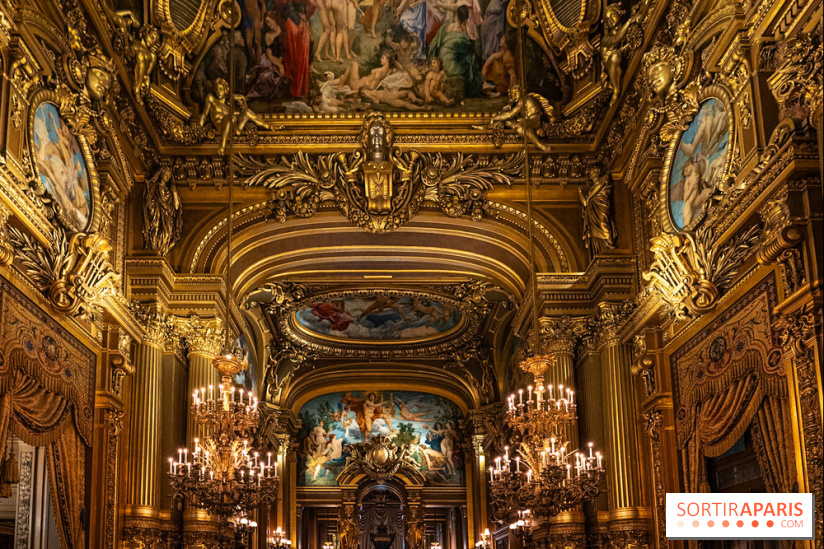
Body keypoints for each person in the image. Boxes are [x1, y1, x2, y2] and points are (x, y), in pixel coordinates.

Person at [428, 5, 482, 98]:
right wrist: (464, 28)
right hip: (450, 66)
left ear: (457, 16)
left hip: (440, 60)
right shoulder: (461, 33)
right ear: (466, 19)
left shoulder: (447, 26)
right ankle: (475, 86)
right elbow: (468, 46)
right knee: (470, 58)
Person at [246, 11, 285, 101]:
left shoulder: (282, 30)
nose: (267, 24)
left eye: (269, 21)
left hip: (282, 58)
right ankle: (253, 96)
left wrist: (282, 61)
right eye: (266, 22)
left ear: (274, 19)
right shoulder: (268, 35)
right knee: (266, 76)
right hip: (270, 60)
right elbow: (269, 55)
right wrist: (279, 66)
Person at [282, 0, 315, 98]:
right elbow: (312, 4)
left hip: (291, 22)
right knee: (299, 58)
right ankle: (299, 91)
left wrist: (306, 18)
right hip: (298, 23)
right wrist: (306, 18)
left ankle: (296, 91)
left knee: (294, 56)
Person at [481, 32, 516, 96]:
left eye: (503, 39)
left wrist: (512, 89)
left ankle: (493, 88)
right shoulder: (503, 51)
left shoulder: (508, 56)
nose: (500, 39)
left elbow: (512, 75)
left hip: (505, 81)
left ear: (507, 44)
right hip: (501, 78)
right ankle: (490, 87)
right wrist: (485, 66)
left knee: (495, 65)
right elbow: (494, 56)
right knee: (493, 63)